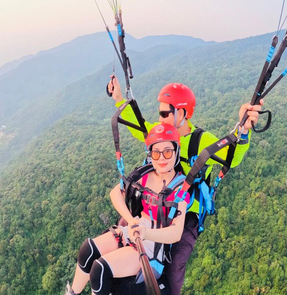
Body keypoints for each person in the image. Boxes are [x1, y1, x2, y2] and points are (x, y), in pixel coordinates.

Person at [108, 76, 263, 295]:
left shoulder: (201, 142)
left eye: (164, 113)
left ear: (181, 113)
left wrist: (243, 130)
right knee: (122, 231)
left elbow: (232, 157)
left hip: (185, 211)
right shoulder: (160, 133)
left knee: (174, 266)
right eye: (159, 113)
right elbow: (138, 126)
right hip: (155, 201)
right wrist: (119, 98)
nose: (160, 119)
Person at [65, 123, 190, 295]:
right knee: (88, 249)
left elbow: (176, 233)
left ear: (176, 152)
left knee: (100, 269)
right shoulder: (144, 174)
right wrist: (131, 220)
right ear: (150, 154)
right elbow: (115, 193)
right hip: (134, 228)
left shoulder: (179, 188)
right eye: (156, 152)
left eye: (167, 151)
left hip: (154, 246)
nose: (162, 158)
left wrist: (146, 233)